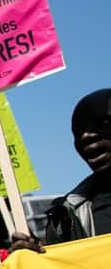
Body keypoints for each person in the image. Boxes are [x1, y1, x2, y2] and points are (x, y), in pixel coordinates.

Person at [41, 88, 111, 243]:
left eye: (101, 123)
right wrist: (32, 256)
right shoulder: (66, 219)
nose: (86, 136)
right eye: (78, 131)